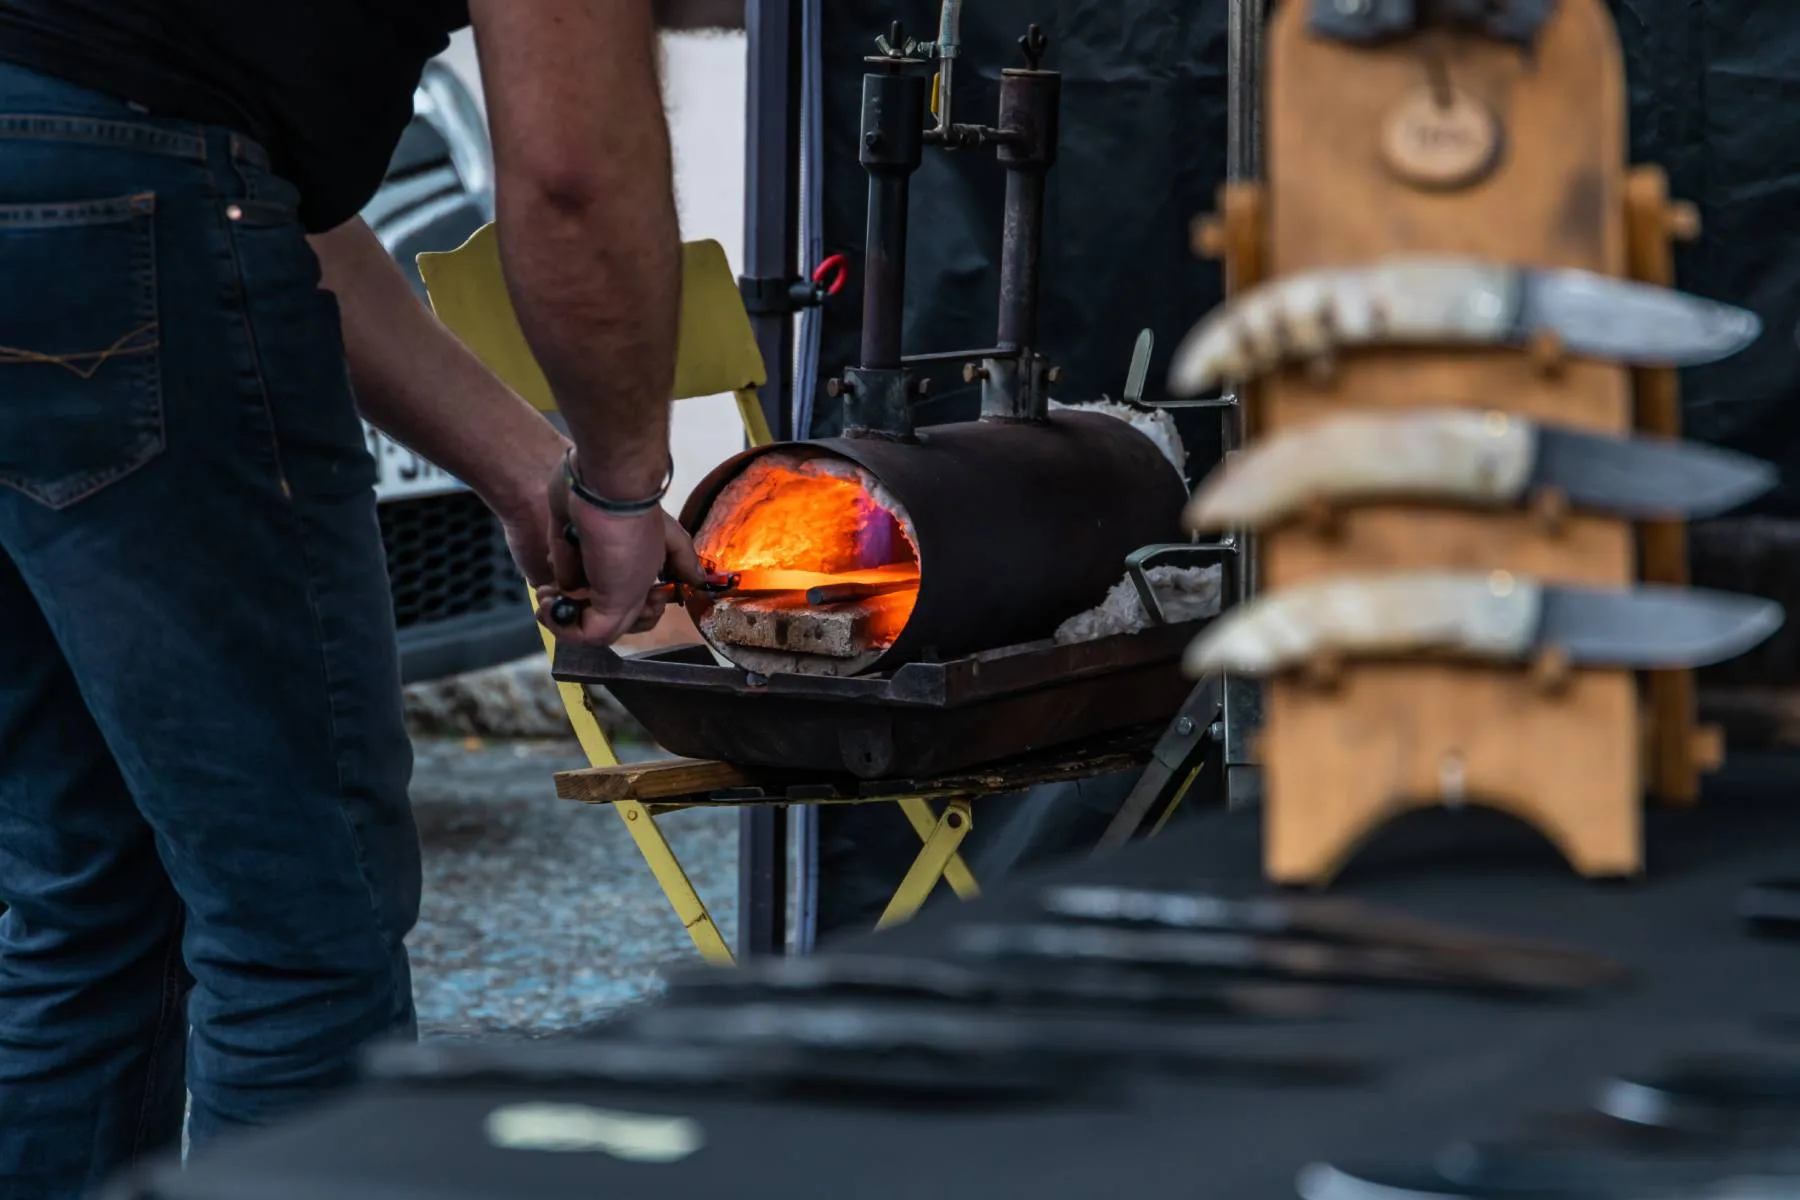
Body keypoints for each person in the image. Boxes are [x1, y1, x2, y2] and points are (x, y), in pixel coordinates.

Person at [0, 2, 703, 1194]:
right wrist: (628, 483)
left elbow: (280, 204)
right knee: (299, 929)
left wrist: (528, 466)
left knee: (86, 893)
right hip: (117, 204)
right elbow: (576, 174)